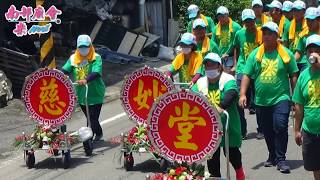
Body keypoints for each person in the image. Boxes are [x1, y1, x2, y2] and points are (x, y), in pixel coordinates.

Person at [239, 22, 298, 173]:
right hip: (261, 100)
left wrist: (296, 97)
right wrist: (243, 94)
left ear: (276, 35)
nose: (266, 36)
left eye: (269, 33)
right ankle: (272, 155)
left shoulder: (286, 54)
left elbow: (293, 75)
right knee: (267, 130)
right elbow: (246, 74)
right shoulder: (255, 54)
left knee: (280, 126)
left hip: (281, 97)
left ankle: (281, 158)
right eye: (264, 33)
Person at [192, 53, 245, 180]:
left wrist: (220, 107)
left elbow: (231, 93)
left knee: (231, 152)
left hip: (228, 123)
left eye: (212, 64)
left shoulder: (228, 79)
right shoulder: (200, 82)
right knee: (212, 156)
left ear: (219, 66)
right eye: (207, 65)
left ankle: (239, 172)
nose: (209, 68)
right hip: (209, 127)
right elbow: (190, 97)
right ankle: (216, 177)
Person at [62, 34, 105, 141]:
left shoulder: (96, 57)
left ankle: (90, 138)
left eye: (86, 46)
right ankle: (96, 133)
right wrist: (58, 76)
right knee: (89, 118)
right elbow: (65, 71)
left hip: (95, 93)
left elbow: (96, 72)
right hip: (82, 93)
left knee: (92, 119)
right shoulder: (73, 58)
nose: (83, 49)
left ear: (90, 46)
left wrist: (86, 80)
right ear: (77, 47)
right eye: (81, 47)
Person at [233, 9, 264, 140]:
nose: (249, 24)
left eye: (251, 21)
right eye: (246, 21)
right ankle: (242, 129)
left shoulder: (261, 33)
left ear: (254, 20)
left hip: (258, 69)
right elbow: (236, 48)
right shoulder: (239, 33)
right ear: (243, 22)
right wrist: (235, 64)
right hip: (242, 68)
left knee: (258, 100)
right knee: (239, 98)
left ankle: (261, 129)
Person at [293, 34, 320, 180]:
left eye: (317, 50)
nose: (314, 53)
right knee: (315, 167)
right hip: (310, 131)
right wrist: (297, 130)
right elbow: (299, 105)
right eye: (310, 50)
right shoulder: (303, 76)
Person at [212, 6, 242, 75]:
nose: (221, 18)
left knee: (229, 77)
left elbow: (238, 44)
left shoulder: (236, 27)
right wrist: (219, 55)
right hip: (219, 57)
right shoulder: (215, 28)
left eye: (223, 16)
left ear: (227, 15)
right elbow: (214, 45)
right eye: (219, 16)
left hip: (231, 57)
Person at [296, 7, 320, 73]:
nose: (309, 22)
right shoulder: (303, 35)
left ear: (318, 20)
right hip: (308, 67)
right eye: (308, 20)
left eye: (312, 20)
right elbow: (299, 52)